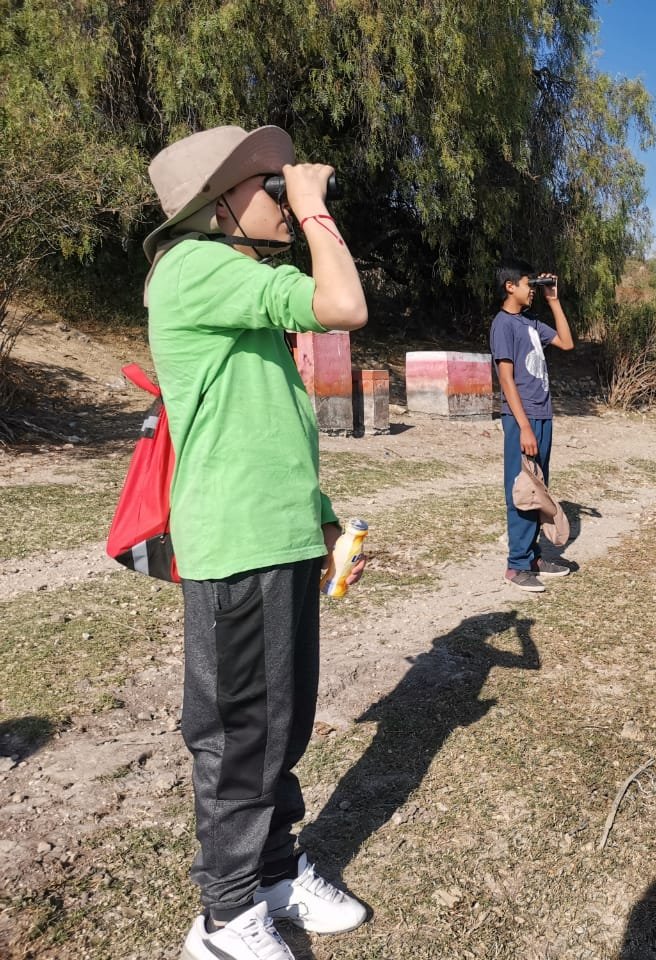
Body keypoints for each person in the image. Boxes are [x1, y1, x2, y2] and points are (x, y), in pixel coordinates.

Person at [144, 125, 369, 960]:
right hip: (235, 541)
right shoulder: (197, 267)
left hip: (275, 536)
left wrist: (317, 513)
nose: (283, 195)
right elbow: (345, 307)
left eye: (285, 187)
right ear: (220, 203)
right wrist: (316, 213)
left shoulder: (233, 279)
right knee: (240, 730)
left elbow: (268, 418)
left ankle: (274, 871)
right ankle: (224, 919)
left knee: (280, 722)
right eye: (270, 186)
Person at [490, 258, 574, 593]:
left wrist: (553, 299)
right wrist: (523, 426)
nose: (532, 291)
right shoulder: (503, 325)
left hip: (544, 415)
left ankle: (534, 556)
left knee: (538, 486)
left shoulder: (531, 323)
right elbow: (506, 380)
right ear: (510, 286)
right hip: (521, 419)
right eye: (529, 284)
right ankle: (516, 565)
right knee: (522, 489)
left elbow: (567, 343)